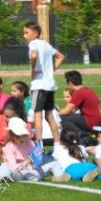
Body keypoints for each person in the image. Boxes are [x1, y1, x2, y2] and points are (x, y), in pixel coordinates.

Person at [24, 21, 65, 150]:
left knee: (37, 114)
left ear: (35, 33)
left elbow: (34, 54)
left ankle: (39, 144)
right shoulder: (46, 45)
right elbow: (60, 56)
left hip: (39, 84)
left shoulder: (33, 43)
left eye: (26, 33)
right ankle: (58, 143)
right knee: (49, 115)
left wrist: (33, 65)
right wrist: (52, 69)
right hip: (50, 84)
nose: (24, 36)